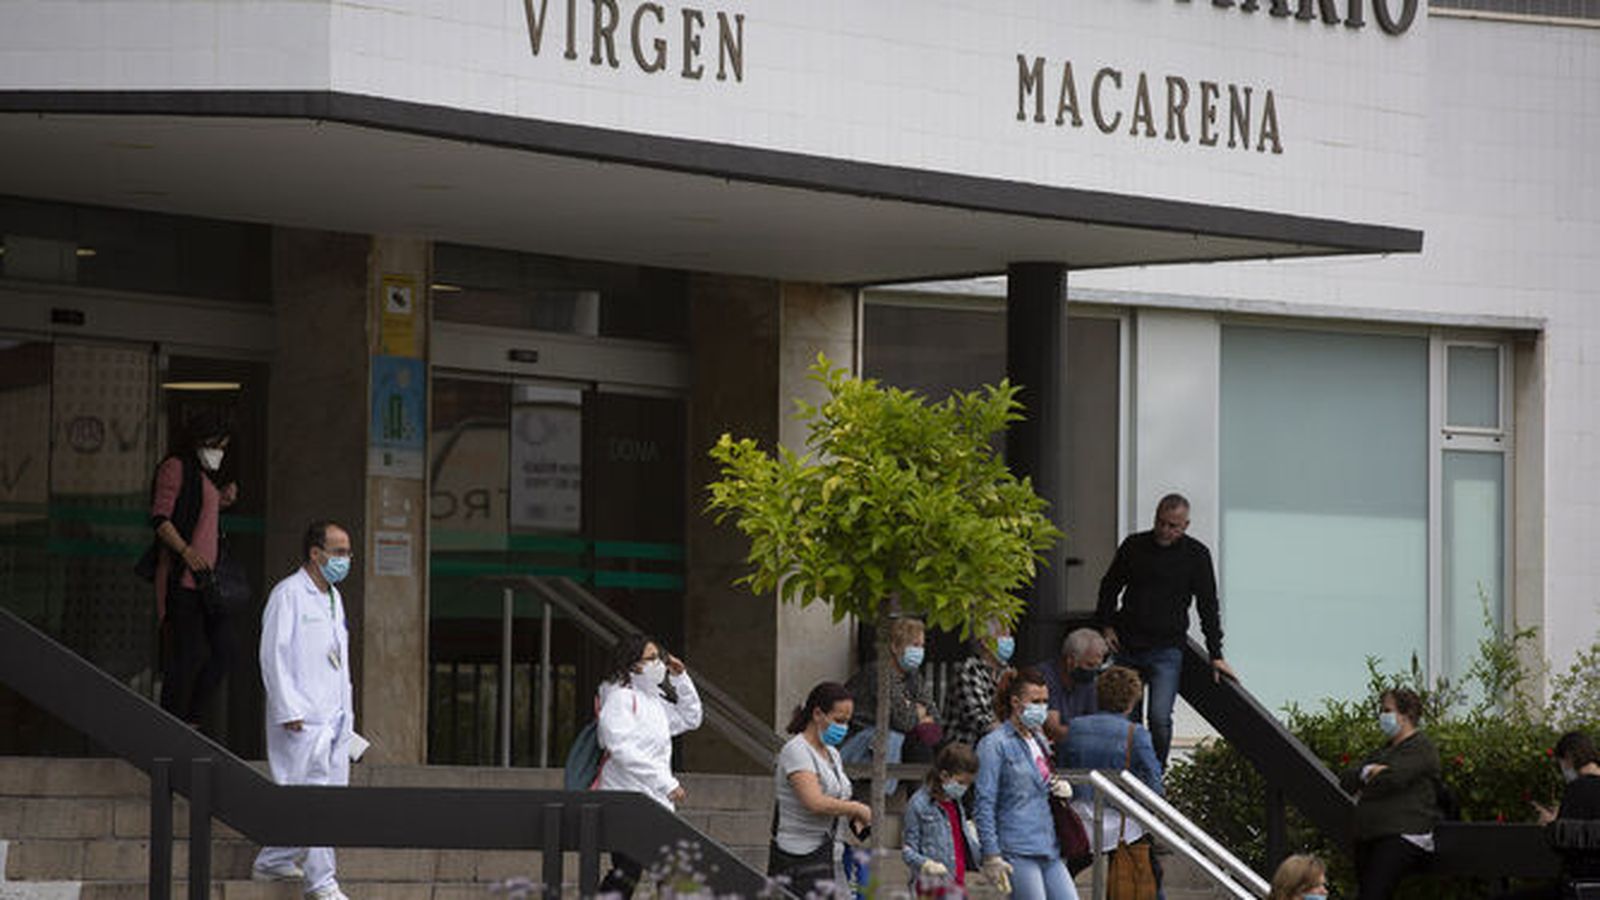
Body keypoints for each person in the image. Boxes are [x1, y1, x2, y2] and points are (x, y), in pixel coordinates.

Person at [251, 521, 356, 900]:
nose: (346, 559)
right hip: (301, 718)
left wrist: (348, 714)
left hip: (334, 716)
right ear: (316, 553)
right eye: (339, 551)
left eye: (348, 552)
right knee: (312, 799)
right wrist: (286, 705)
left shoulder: (333, 597)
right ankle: (323, 882)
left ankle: (273, 859)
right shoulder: (288, 594)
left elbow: (338, 661)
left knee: (325, 800)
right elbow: (272, 653)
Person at [1096, 492, 1235, 766]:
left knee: (1160, 718)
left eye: (1173, 526)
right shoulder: (1135, 546)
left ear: (1186, 526)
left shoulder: (1196, 555)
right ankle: (1132, 773)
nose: (1165, 530)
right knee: (1128, 718)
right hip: (1127, 643)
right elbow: (1110, 586)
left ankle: (1154, 771)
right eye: (1161, 523)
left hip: (1166, 647)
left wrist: (1215, 653)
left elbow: (1208, 606)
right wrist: (1106, 624)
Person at [146, 411, 239, 728]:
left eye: (223, 446)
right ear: (199, 441)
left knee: (224, 649)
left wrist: (221, 501)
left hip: (207, 583)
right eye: (216, 444)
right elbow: (161, 518)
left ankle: (192, 717)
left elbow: (200, 512)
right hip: (183, 581)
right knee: (188, 656)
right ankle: (173, 724)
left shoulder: (203, 476)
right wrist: (185, 551)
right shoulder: (175, 467)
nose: (219, 452)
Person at [594, 633, 703, 897]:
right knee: (629, 871)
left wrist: (681, 678)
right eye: (651, 658)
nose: (659, 663)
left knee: (666, 873)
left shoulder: (653, 700)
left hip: (655, 801)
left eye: (659, 657)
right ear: (633, 664)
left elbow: (691, 717)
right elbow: (620, 747)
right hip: (626, 798)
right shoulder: (620, 698)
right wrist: (665, 782)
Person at [974, 667, 1080, 900]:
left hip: (1048, 844)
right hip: (1016, 847)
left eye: (1045, 701)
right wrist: (991, 854)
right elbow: (984, 802)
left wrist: (1060, 789)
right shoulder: (994, 744)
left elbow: (1040, 785)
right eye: (1035, 701)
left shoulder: (1039, 740)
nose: (1041, 708)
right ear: (1015, 702)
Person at [1338, 687, 1441, 900]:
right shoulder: (1383, 751)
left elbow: (1394, 778)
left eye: (1387, 710)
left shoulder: (1421, 748)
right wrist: (1369, 772)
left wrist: (1372, 777)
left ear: (1405, 715)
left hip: (1403, 836)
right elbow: (1347, 779)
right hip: (1370, 835)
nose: (1382, 716)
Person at [771, 682, 872, 898]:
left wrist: (855, 816)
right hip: (799, 857)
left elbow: (840, 794)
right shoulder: (796, 750)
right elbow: (814, 802)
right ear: (817, 714)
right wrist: (855, 808)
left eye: (847, 722)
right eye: (839, 720)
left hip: (831, 854)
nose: (844, 728)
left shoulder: (833, 754)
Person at [1064, 665, 1163, 879]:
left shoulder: (1075, 727)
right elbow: (1153, 778)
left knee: (1068, 869)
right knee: (1149, 873)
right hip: (1121, 820)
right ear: (1131, 700)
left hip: (1079, 815)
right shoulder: (1136, 733)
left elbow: (1063, 767)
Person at [841, 618, 941, 794]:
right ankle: (901, 798)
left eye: (922, 646)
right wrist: (917, 713)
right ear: (894, 647)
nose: (919, 651)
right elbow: (902, 721)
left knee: (922, 743)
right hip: (860, 744)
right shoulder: (879, 673)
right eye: (914, 645)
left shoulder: (913, 676)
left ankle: (922, 799)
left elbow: (935, 716)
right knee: (899, 736)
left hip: (889, 745)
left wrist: (914, 712)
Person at [902, 742, 982, 897]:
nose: (963, 788)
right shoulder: (918, 804)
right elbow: (908, 851)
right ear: (944, 776)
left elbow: (965, 844)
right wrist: (926, 864)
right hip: (931, 888)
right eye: (960, 783)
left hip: (956, 883)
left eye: (967, 784)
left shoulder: (956, 804)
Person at [1039, 628, 1108, 764]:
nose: (1093, 671)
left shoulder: (1088, 682)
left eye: (1098, 666)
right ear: (1071, 660)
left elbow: (1094, 721)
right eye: (1089, 665)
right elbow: (1053, 729)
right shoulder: (1045, 677)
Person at [945, 622, 1015, 749]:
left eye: (1009, 635)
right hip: (966, 752)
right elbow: (980, 720)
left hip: (998, 747)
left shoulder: (1008, 672)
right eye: (1003, 635)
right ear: (985, 642)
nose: (1009, 640)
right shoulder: (968, 669)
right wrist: (1016, 733)